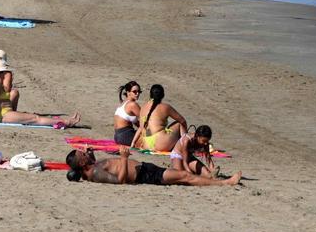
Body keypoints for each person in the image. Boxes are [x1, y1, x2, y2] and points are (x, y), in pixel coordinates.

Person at [0, 51, 81, 127]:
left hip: (1, 113)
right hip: (3, 114)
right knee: (35, 119)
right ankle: (67, 122)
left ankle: (64, 121)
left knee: (32, 117)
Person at [65, 146, 240, 187]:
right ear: (81, 163)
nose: (84, 153)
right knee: (183, 177)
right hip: (144, 176)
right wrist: (124, 158)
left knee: (180, 174)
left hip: (145, 169)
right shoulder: (95, 173)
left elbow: (100, 165)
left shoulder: (91, 166)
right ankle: (224, 183)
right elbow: (121, 181)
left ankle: (209, 178)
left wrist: (91, 153)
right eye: (82, 154)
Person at [132, 84, 188, 153]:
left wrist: (133, 142)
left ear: (150, 95)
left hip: (146, 145)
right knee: (179, 123)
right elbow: (182, 121)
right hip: (160, 144)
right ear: (163, 95)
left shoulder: (143, 107)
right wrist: (186, 133)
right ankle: (186, 145)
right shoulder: (165, 107)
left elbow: (140, 128)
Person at [113, 80, 142, 146]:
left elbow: (137, 123)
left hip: (117, 136)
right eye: (134, 92)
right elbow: (145, 120)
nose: (137, 94)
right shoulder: (132, 104)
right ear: (128, 92)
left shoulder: (123, 104)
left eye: (139, 92)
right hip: (126, 135)